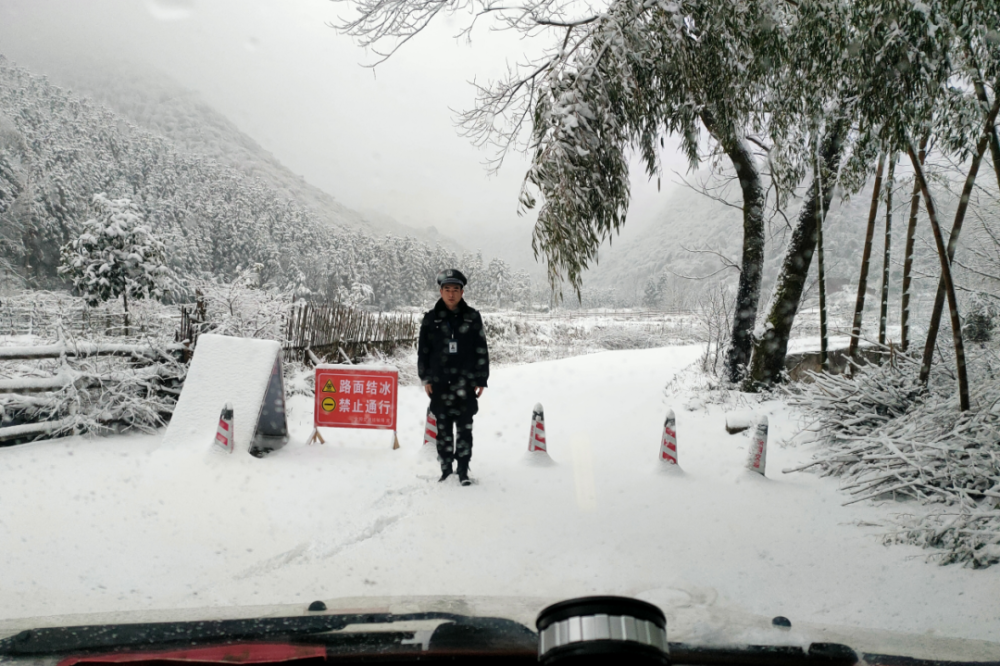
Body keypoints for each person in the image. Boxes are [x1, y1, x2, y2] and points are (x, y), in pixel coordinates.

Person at [417, 268, 490, 486]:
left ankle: (464, 469)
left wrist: (481, 378)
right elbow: (424, 351)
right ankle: (446, 468)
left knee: (465, 428)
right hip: (440, 384)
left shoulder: (472, 317)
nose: (451, 294)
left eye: (455, 289)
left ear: (462, 292)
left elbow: (481, 348)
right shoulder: (431, 320)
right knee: (444, 428)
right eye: (447, 289)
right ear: (440, 291)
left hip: (465, 383)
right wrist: (426, 378)